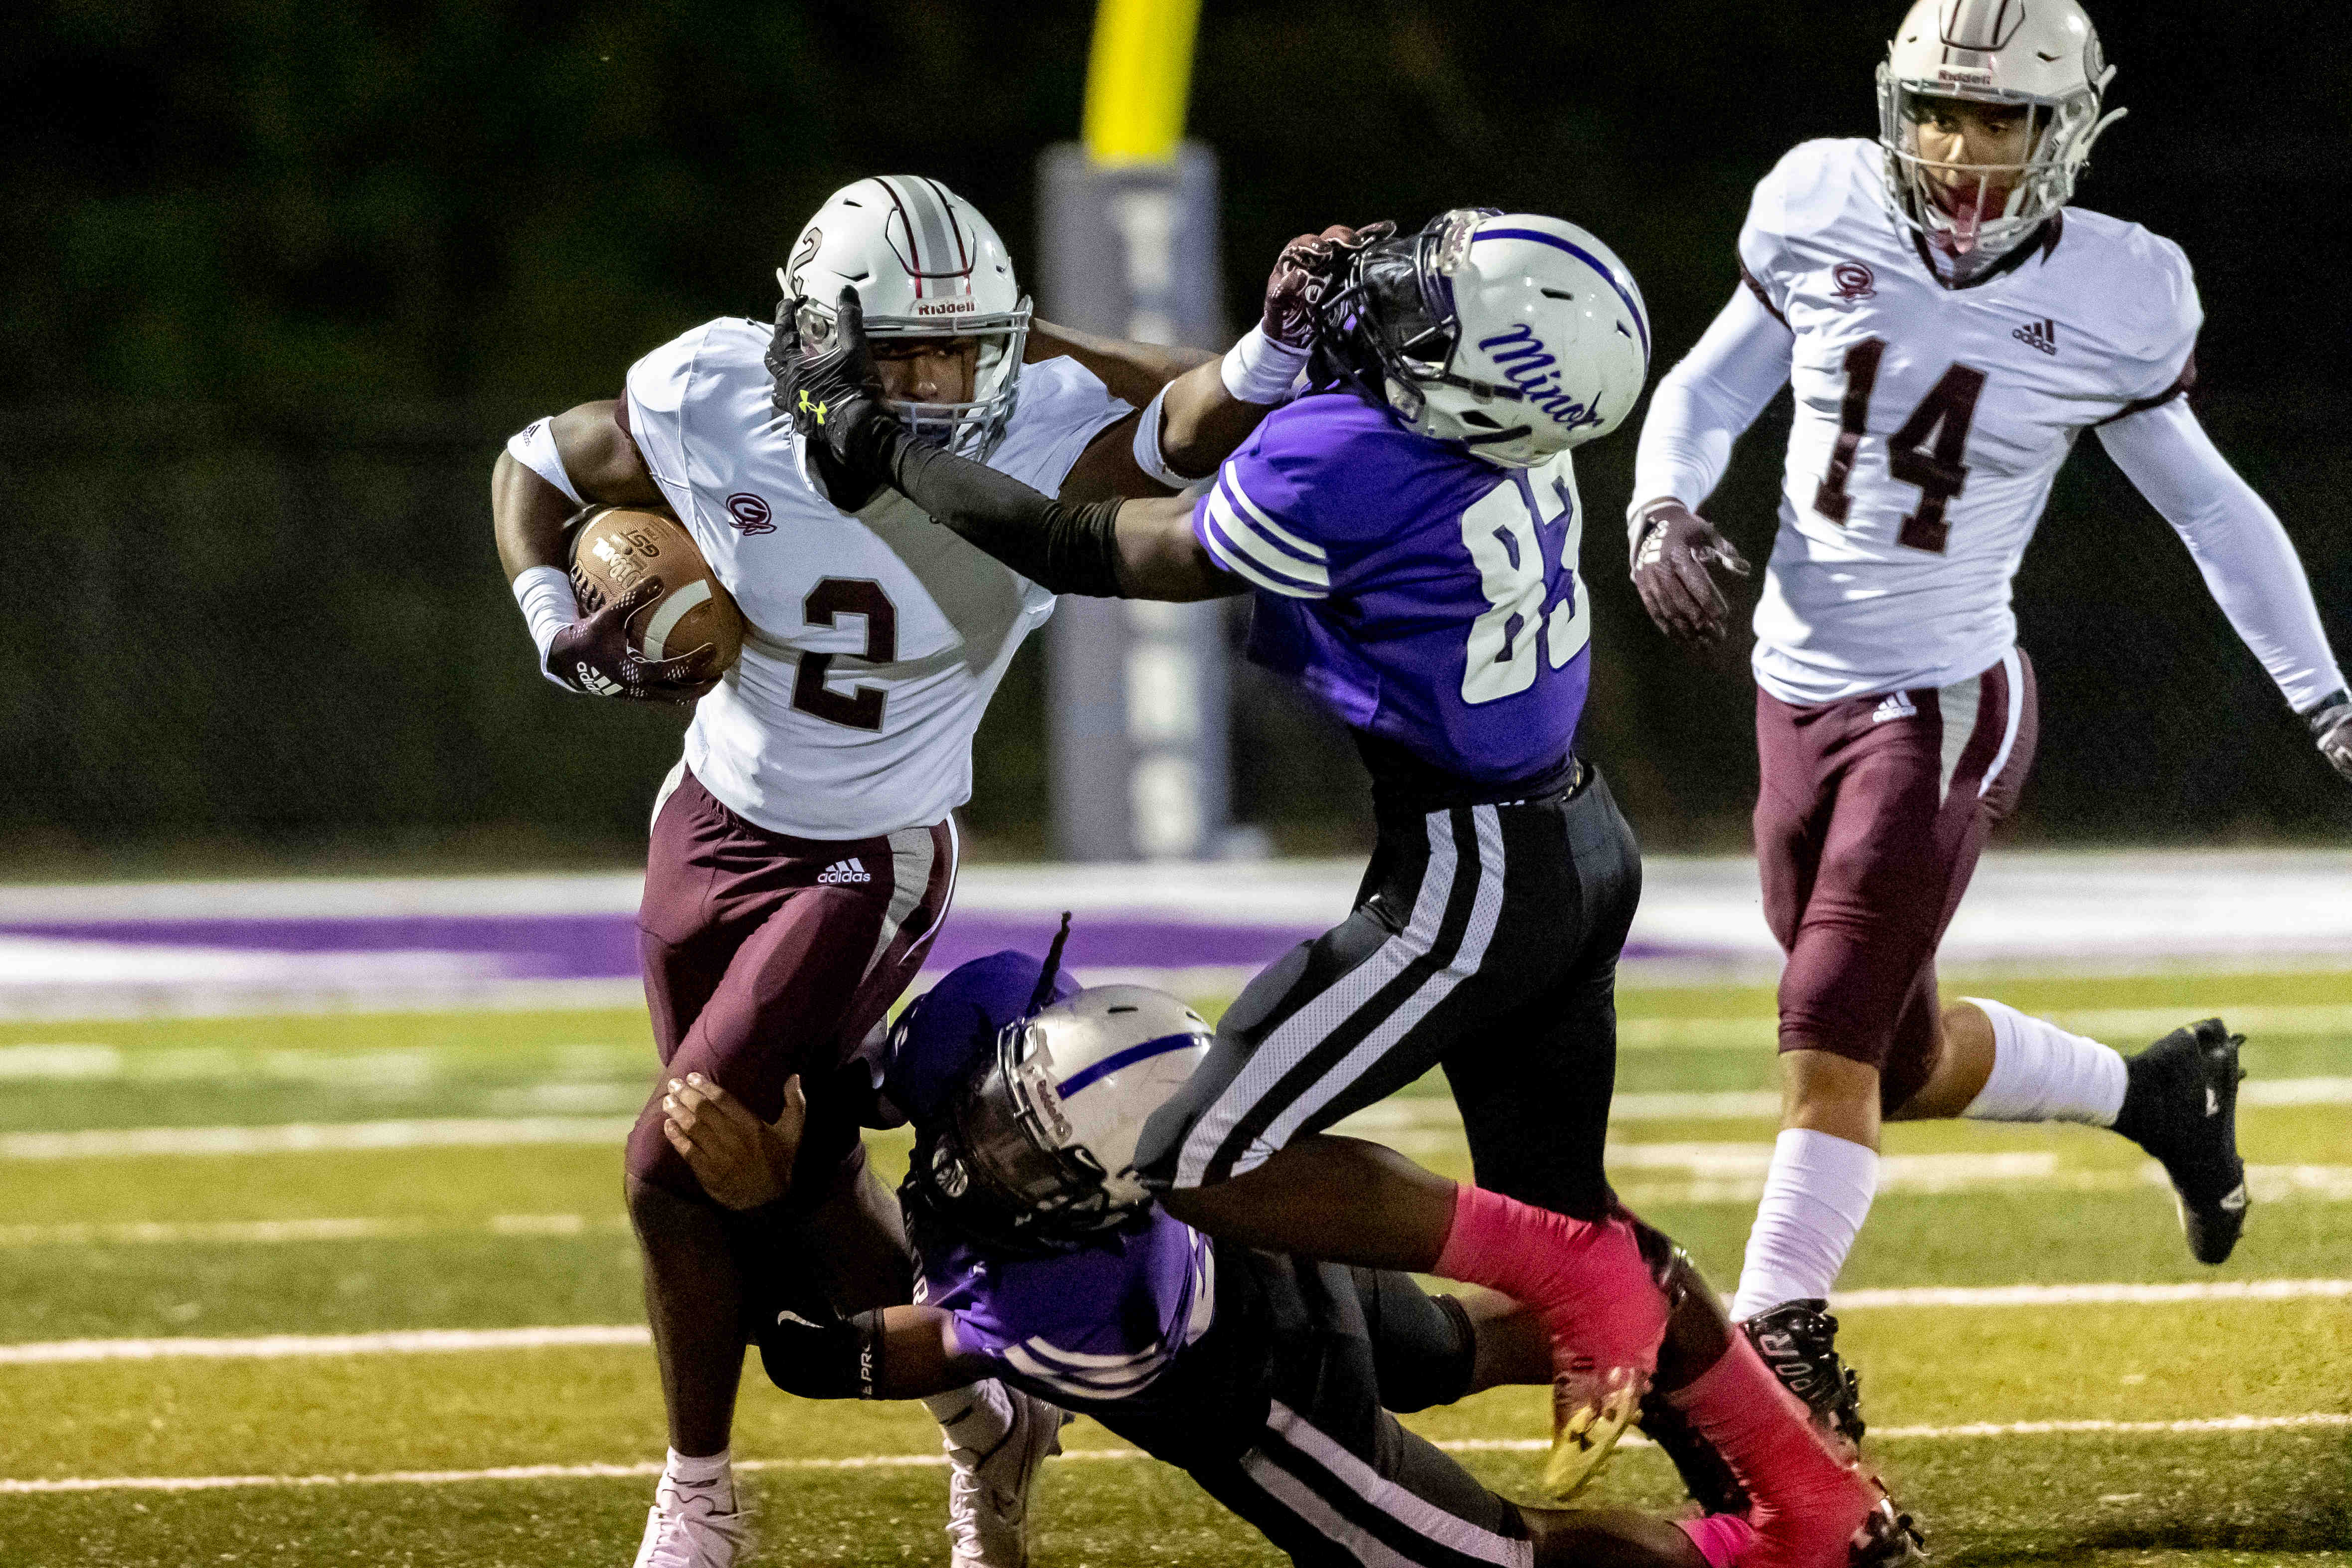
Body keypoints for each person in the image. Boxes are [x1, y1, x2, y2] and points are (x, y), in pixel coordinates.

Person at [775, 209, 1890, 1568]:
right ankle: (1811, 1505)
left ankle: (1581, 1283)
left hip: (1467, 869)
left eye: (1429, 304)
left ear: (1468, 375)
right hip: (1570, 838)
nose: (1396, 295)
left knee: (1203, 1155)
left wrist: (891, 450)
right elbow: (1234, 399)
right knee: (1560, 1200)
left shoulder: (1356, 455)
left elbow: (1092, 546)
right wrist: (1266, 340)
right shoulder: (1499, 425)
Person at [490, 173, 1371, 1568]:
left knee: (678, 1152)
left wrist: (1257, 350)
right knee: (789, 1175)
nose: (938, 386)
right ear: (811, 335)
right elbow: (541, 461)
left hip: (871, 854)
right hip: (708, 820)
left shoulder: (1032, 426)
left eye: (959, 352)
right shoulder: (711, 391)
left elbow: (1192, 417)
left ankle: (698, 1495)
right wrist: (553, 624)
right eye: (900, 353)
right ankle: (986, 1415)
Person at [1622, 0, 2352, 1449]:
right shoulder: (1817, 197)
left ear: (2063, 129)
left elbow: (2207, 506)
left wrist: (2322, 696)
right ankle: (2154, 1093)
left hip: (1943, 696)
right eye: (1942, 113)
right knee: (1889, 1062)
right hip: (1791, 681)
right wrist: (1657, 502)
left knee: (1820, 1024)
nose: (1963, 148)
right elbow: (1709, 387)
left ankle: (1771, 1352)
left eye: (2002, 118)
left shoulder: (2118, 288)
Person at [658, 946, 1913, 1568]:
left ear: (1094, 1195)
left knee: (1493, 1558)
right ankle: (1735, 1393)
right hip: (1276, 1253)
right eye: (998, 1112)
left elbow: (935, 1332)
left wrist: (821, 1327)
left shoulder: (1075, 1294)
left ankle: (1760, 1554)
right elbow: (902, 1071)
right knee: (1455, 1342)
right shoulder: (1063, 1051)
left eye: (1023, 1150)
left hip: (1250, 1393)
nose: (984, 1147)